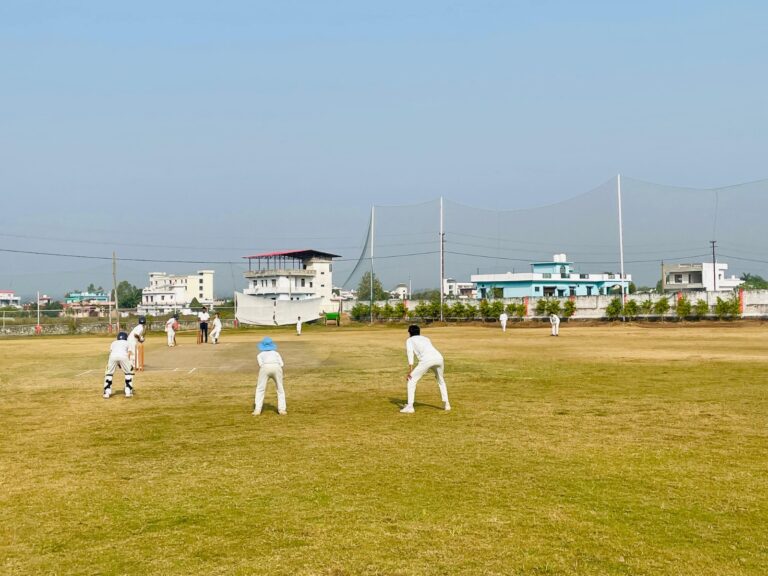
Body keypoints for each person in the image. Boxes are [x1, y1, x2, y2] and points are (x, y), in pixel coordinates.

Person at [401, 325, 451, 414]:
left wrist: (410, 370)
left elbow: (410, 354)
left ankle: (410, 407)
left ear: (410, 333)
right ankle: (447, 404)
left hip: (426, 360)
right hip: (439, 358)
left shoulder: (409, 340)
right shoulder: (426, 338)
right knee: (441, 380)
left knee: (411, 380)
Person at [253, 337, 287, 415]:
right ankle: (282, 409)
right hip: (276, 367)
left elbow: (261, 364)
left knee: (260, 389)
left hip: (265, 367)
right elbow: (282, 364)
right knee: (280, 388)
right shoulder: (276, 353)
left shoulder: (260, 355)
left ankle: (257, 410)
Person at [103, 331, 135, 398]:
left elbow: (112, 352)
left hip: (112, 357)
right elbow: (129, 353)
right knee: (128, 373)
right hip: (124, 356)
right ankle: (128, 392)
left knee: (109, 374)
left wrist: (117, 363)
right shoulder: (127, 343)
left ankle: (107, 393)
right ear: (126, 337)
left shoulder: (113, 342)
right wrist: (125, 364)